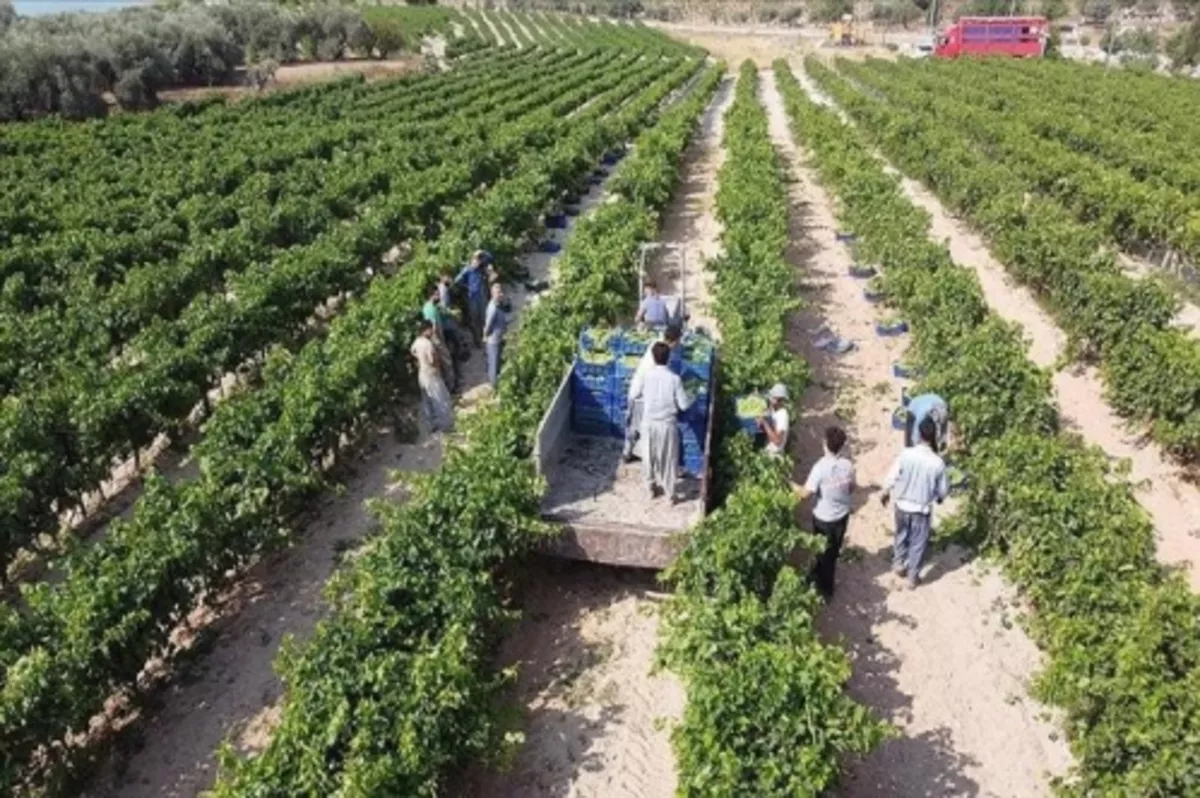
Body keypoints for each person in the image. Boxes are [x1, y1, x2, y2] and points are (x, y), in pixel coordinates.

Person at [881, 416, 950, 589]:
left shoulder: (906, 454)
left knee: (901, 535)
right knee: (918, 543)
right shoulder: (937, 463)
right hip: (921, 509)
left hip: (902, 504)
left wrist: (885, 491)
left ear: (918, 434)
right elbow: (943, 490)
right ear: (934, 436)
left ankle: (898, 564)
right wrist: (940, 498)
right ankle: (913, 577)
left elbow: (892, 475)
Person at [792, 426, 856, 600]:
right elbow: (851, 488)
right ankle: (819, 574)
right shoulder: (848, 465)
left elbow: (805, 494)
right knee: (833, 550)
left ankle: (826, 589)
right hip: (842, 516)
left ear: (826, 444)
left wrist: (789, 483)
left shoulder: (820, 467)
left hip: (824, 518)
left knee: (824, 553)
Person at [630, 341, 691, 502]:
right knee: (668, 459)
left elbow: (633, 394)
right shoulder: (674, 379)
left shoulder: (645, 376)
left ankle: (651, 488)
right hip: (667, 423)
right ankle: (670, 494)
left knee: (649, 457)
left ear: (653, 357)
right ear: (668, 358)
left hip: (649, 422)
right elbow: (683, 405)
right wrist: (691, 396)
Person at [623, 324, 683, 463]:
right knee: (638, 427)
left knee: (635, 426)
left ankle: (629, 453)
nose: (679, 344)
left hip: (639, 392)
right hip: (641, 395)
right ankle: (636, 456)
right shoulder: (661, 352)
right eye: (678, 341)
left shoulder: (657, 346)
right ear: (674, 341)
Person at [411, 320, 454, 433]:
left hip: (422, 374)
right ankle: (446, 426)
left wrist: (420, 360)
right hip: (432, 374)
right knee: (440, 399)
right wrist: (437, 366)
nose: (432, 331)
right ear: (426, 330)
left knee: (427, 400)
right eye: (431, 329)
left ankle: (431, 425)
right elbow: (432, 360)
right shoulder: (428, 344)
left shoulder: (417, 341)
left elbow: (412, 352)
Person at [422, 286, 458, 393]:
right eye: (436, 294)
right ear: (431, 296)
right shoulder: (431, 309)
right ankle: (451, 387)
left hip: (435, 338)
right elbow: (433, 327)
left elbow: (442, 311)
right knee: (447, 361)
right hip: (436, 338)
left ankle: (448, 385)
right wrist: (439, 340)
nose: (439, 296)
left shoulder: (430, 306)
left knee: (443, 363)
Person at [455, 250, 490, 347]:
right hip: (472, 298)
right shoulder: (467, 270)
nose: (477, 263)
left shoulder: (480, 268)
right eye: (475, 261)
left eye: (478, 261)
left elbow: (489, 257)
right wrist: (467, 287)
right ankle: (478, 340)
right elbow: (457, 280)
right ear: (471, 261)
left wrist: (481, 252)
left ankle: (485, 336)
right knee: (474, 320)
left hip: (481, 296)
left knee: (484, 317)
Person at [483, 282, 509, 388]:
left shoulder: (498, 304)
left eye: (501, 292)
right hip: (493, 340)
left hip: (499, 337)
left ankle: (497, 380)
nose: (500, 294)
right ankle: (494, 386)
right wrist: (486, 336)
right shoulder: (492, 308)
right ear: (492, 294)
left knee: (498, 361)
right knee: (493, 364)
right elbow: (488, 326)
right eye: (498, 292)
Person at [759, 383, 791, 456]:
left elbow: (777, 441)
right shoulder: (773, 410)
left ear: (779, 400)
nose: (770, 399)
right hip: (768, 452)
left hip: (774, 456)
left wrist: (764, 422)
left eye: (773, 397)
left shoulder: (783, 415)